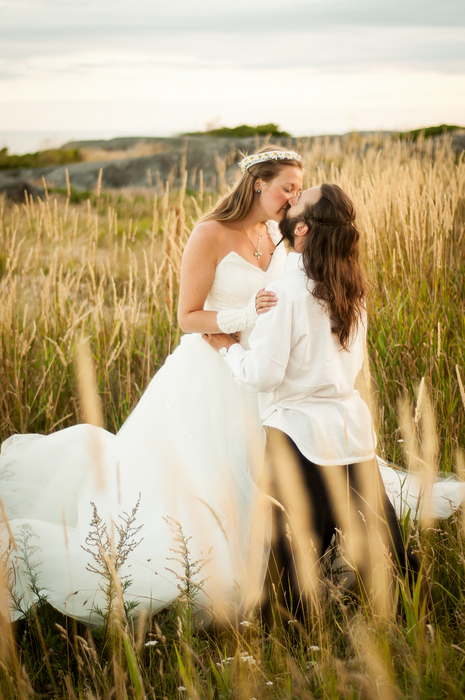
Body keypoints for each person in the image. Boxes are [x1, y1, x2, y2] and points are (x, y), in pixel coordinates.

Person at [0, 147, 303, 625]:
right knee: (205, 470)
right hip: (210, 370)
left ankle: (275, 562)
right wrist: (248, 316)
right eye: (288, 186)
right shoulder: (210, 233)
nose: (294, 197)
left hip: (261, 372)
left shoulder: (277, 234)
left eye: (299, 189)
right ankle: (208, 570)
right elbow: (187, 315)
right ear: (259, 184)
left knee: (261, 467)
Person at [204, 183, 460, 617]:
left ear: (300, 227)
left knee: (289, 560)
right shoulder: (351, 285)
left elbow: (263, 374)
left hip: (296, 435)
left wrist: (225, 345)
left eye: (297, 202)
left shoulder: (286, 292)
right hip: (349, 430)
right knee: (384, 547)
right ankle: (419, 617)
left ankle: (286, 639)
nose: (290, 199)